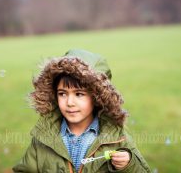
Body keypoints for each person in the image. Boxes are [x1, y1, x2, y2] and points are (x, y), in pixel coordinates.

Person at [13, 49, 151, 173]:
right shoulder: (45, 136)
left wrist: (127, 166)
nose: (69, 103)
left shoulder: (117, 138)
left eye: (79, 94)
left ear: (97, 97)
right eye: (62, 93)